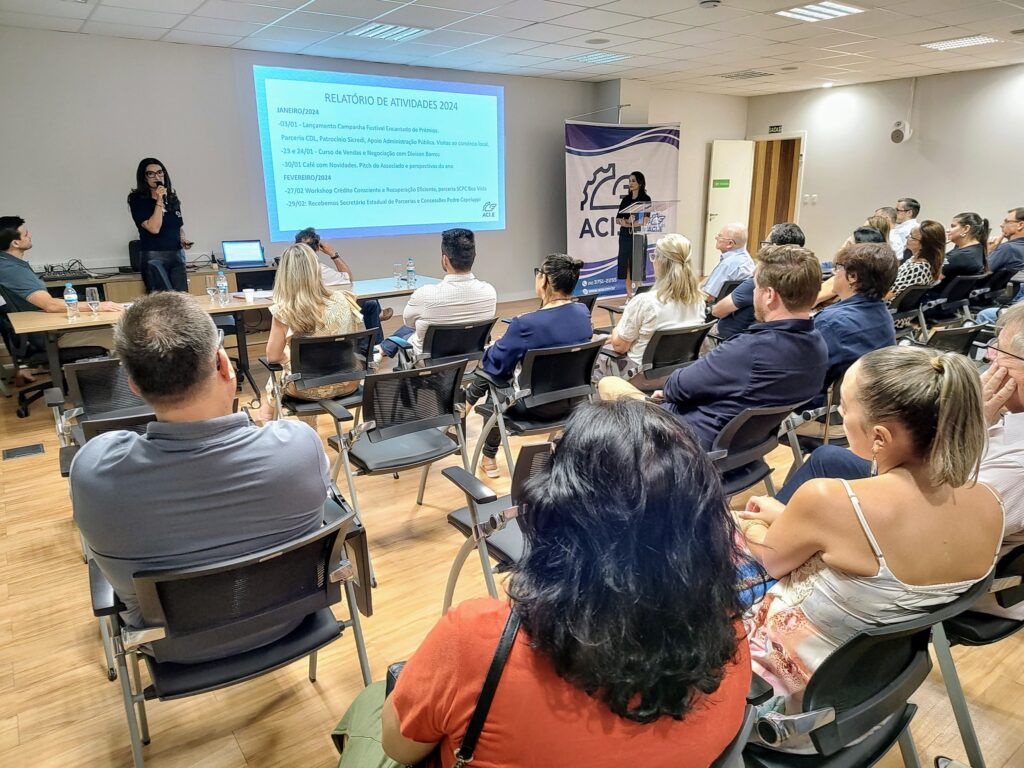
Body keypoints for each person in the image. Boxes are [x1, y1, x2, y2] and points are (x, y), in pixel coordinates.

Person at [332, 399, 753, 768]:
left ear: (555, 511)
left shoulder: (478, 640)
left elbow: (399, 747)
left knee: (371, 702)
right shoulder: (728, 629)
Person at [737, 345, 1002, 753]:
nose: (841, 416)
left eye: (844, 409)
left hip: (781, 706)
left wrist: (750, 521)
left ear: (879, 436)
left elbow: (768, 559)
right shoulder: (991, 506)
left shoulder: (831, 500)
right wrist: (792, 518)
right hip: (867, 699)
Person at [70, 292, 331, 663]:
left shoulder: (93, 472)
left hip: (173, 648)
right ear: (224, 364)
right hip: (289, 620)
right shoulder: (299, 446)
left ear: (134, 386)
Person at [776, 303, 1024, 621]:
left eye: (1000, 351)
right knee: (828, 458)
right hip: (928, 549)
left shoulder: (1006, 479)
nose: (989, 358)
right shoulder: (1008, 431)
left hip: (924, 574)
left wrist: (971, 426)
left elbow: (941, 519)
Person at [599, 245, 828, 449]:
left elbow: (678, 386)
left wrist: (670, 391)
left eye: (755, 286)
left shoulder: (748, 350)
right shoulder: (818, 347)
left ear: (769, 295)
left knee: (609, 384)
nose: (753, 293)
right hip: (745, 447)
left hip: (683, 442)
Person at [465, 254, 593, 477]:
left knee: (495, 378)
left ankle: (486, 452)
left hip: (534, 408)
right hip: (574, 404)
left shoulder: (525, 324)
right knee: (498, 370)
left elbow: (496, 365)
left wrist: (495, 348)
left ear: (545, 280)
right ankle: (465, 408)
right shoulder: (583, 313)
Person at [257, 243, 366, 424]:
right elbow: (352, 338)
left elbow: (273, 357)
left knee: (282, 372)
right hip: (348, 382)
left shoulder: (285, 310)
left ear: (284, 274)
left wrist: (290, 356)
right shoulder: (344, 299)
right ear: (317, 269)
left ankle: (268, 417)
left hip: (306, 389)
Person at [0, 216, 121, 353]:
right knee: (128, 336)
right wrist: (98, 306)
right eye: (26, 234)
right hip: (52, 337)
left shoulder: (7, 264)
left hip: (49, 330)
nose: (30, 235)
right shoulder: (13, 270)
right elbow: (50, 305)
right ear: (15, 243)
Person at [594, 233, 705, 381]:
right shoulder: (699, 301)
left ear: (660, 262)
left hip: (642, 377)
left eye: (653, 257)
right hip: (681, 375)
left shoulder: (645, 302)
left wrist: (615, 331)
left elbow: (620, 347)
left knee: (597, 354)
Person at [379, 228, 496, 358]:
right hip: (470, 359)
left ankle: (380, 349)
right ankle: (380, 349)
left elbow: (409, 323)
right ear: (474, 256)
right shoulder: (489, 292)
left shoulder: (425, 295)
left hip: (428, 363)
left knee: (411, 330)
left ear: (445, 260)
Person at [813, 242, 897, 387]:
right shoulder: (885, 315)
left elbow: (805, 372)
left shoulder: (830, 322)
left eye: (839, 267)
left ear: (852, 277)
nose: (834, 272)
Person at [294, 227, 392, 345]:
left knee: (371, 302)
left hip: (303, 310)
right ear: (317, 248)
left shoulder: (290, 266)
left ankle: (378, 317)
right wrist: (333, 254)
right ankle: (378, 344)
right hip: (324, 312)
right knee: (371, 303)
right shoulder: (319, 269)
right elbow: (348, 279)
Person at [712, 222, 804, 340]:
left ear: (774, 248)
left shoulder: (758, 283)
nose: (762, 248)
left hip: (736, 339)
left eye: (766, 244)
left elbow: (718, 311)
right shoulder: (799, 281)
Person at [127, 158, 194, 293]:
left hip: (177, 256)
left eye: (159, 172)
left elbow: (177, 226)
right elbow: (154, 228)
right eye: (151, 174)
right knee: (162, 301)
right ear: (144, 177)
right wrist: (159, 200)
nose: (157, 177)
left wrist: (183, 239)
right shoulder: (137, 199)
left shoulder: (171, 197)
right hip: (154, 257)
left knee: (182, 299)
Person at [885, 219, 944, 328]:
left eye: (912, 237)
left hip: (890, 315)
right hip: (896, 313)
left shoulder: (918, 268)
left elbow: (890, 294)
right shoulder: (920, 261)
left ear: (923, 245)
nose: (907, 238)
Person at [977, 208, 1024, 325]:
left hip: (1009, 303)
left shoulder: (1007, 248)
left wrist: (988, 251)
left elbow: (980, 272)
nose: (1001, 225)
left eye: (1006, 221)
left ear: (1020, 225)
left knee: (984, 314)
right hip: (1011, 298)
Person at [615, 171, 652, 297]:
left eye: (633, 181)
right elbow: (617, 219)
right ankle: (629, 295)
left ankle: (638, 295)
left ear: (640, 183)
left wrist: (630, 223)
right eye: (629, 181)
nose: (630, 183)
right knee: (626, 265)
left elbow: (645, 220)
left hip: (638, 236)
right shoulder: (626, 200)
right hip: (625, 236)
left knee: (637, 266)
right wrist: (627, 223)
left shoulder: (646, 199)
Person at [701, 223, 753, 303]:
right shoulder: (747, 259)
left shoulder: (727, 265)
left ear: (730, 244)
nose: (716, 238)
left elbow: (708, 297)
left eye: (720, 236)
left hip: (716, 307)